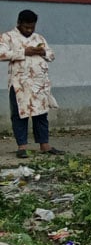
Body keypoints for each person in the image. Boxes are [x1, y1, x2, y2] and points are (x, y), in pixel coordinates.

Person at [1, 9, 63, 158]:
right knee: (19, 115)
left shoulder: (39, 38)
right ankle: (22, 147)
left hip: (39, 83)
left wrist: (43, 52)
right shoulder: (8, 37)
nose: (29, 30)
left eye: (32, 27)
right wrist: (23, 52)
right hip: (19, 85)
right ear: (19, 23)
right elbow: (1, 54)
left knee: (41, 114)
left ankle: (44, 145)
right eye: (26, 27)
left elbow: (51, 55)